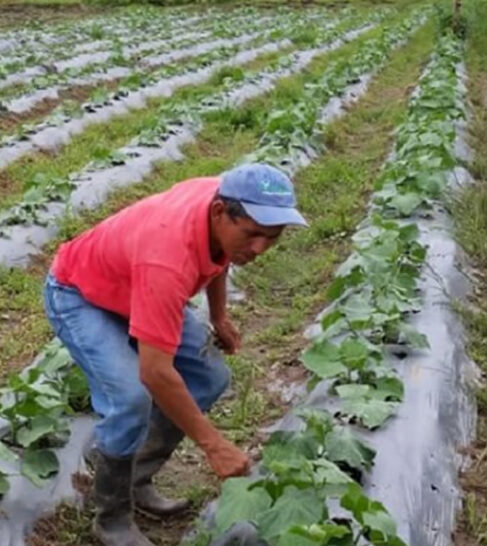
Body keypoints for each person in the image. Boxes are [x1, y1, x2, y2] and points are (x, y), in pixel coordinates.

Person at [42, 163, 307, 546]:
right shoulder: (167, 256)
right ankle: (111, 518)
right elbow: (155, 373)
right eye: (252, 235)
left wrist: (219, 315)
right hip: (80, 295)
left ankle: (136, 480)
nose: (260, 249)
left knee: (210, 377)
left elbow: (220, 255)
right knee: (131, 396)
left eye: (273, 237)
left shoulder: (224, 204)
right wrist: (214, 446)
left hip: (134, 288)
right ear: (220, 212)